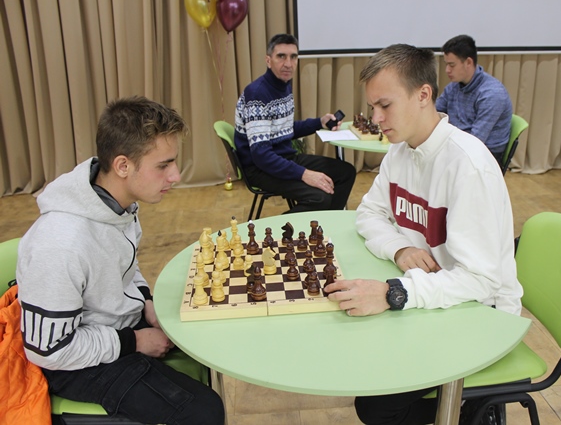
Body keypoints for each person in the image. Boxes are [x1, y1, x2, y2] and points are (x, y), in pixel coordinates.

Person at [324, 44, 523, 425]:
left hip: (480, 315)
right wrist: (399, 249)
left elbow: (481, 281)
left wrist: (394, 292)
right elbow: (369, 213)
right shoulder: (401, 151)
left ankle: (472, 411)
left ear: (423, 95)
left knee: (376, 407)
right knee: (356, 355)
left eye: (385, 105)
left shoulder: (467, 166)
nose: (376, 118)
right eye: (372, 107)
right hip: (437, 298)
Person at [17, 97, 225, 425]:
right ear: (123, 166)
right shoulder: (60, 245)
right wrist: (133, 342)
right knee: (204, 411)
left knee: (209, 330)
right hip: (75, 363)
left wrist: (146, 301)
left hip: (116, 325)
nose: (175, 176)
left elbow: (125, 267)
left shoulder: (118, 205)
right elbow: (49, 350)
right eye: (163, 165)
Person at [234, 33, 356, 213]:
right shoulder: (257, 94)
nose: (288, 64)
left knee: (346, 172)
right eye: (281, 56)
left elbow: (285, 129)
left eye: (293, 57)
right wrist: (304, 174)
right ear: (268, 60)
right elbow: (261, 154)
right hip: (260, 168)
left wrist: (319, 122)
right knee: (319, 198)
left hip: (282, 158)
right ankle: (281, 230)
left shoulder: (283, 85)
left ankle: (324, 224)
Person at [436, 34, 513, 163]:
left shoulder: (492, 94)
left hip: (485, 154)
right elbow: (434, 113)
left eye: (452, 65)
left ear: (468, 63)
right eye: (446, 64)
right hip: (459, 143)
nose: (447, 70)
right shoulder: (453, 87)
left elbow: (476, 140)